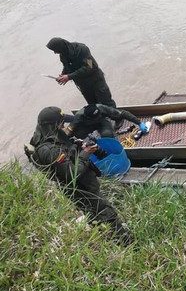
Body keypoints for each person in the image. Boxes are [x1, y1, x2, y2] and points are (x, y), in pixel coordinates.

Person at [26, 107, 132, 245]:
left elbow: (63, 164)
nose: (63, 126)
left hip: (80, 187)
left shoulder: (48, 140)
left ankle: (107, 239)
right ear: (53, 125)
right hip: (81, 189)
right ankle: (128, 244)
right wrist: (85, 153)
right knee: (107, 214)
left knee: (95, 216)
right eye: (60, 123)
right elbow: (71, 174)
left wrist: (76, 147)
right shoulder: (48, 150)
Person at [46, 37, 116, 108]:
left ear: (60, 47)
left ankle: (117, 117)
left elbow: (91, 67)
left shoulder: (82, 49)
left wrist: (69, 76)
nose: (55, 53)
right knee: (93, 106)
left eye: (55, 50)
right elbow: (67, 67)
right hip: (83, 85)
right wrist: (63, 74)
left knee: (106, 103)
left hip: (96, 81)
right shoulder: (62, 55)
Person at [66, 103, 147, 139]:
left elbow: (123, 113)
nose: (98, 117)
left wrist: (139, 123)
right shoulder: (78, 116)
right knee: (78, 135)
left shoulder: (101, 108)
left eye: (98, 115)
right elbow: (69, 130)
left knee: (107, 134)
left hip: (101, 122)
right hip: (87, 126)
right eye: (95, 117)